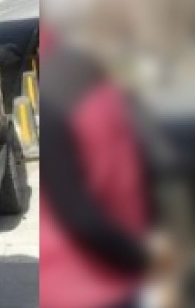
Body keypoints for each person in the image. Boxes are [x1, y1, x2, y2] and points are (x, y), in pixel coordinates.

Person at [40, 26, 178, 308]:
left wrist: (143, 259)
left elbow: (78, 214)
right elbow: (143, 168)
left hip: (78, 281)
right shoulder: (107, 86)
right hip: (122, 267)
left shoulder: (55, 98)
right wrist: (151, 253)